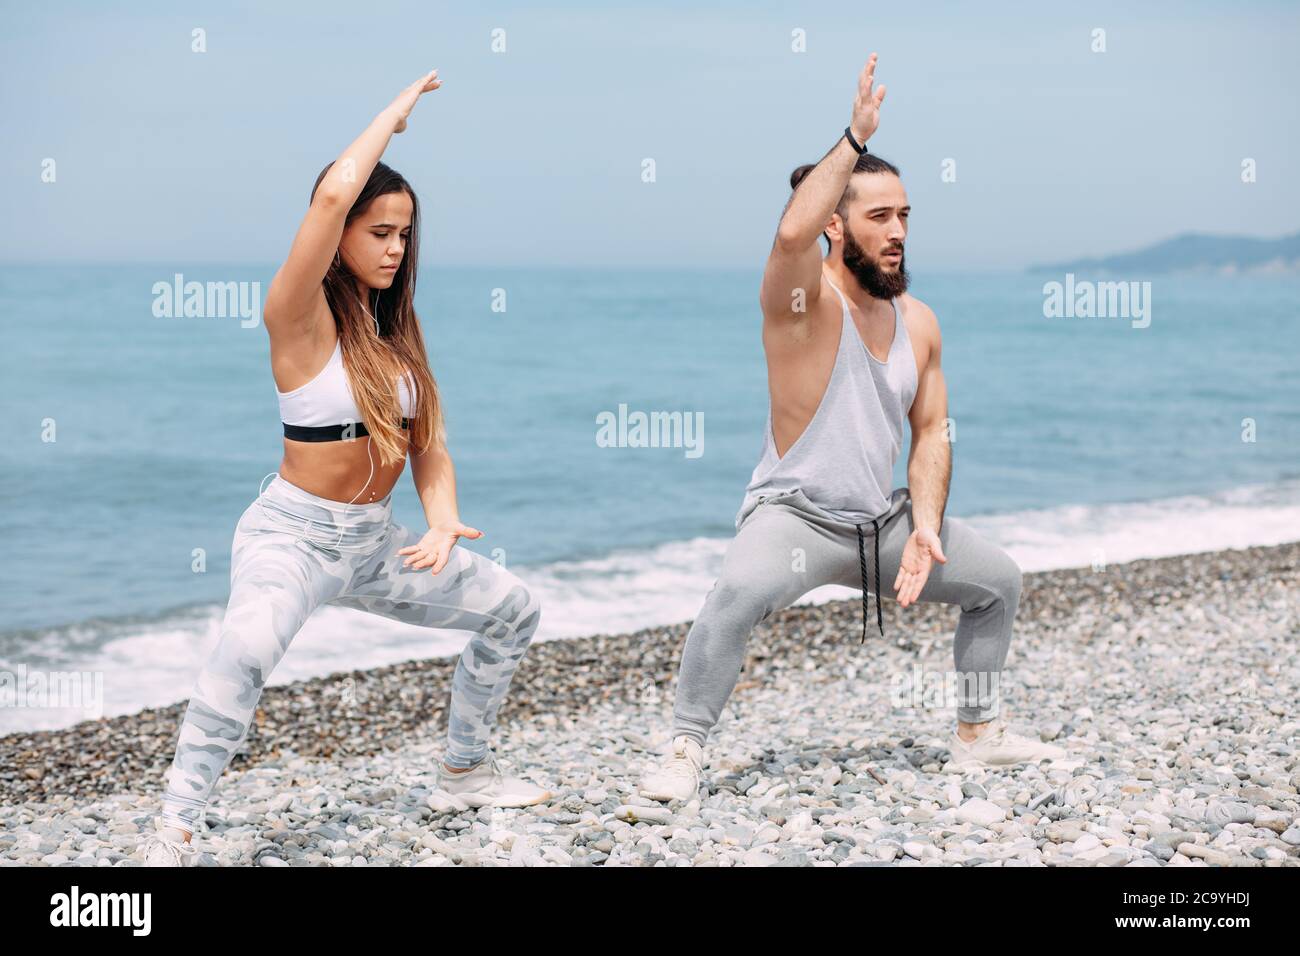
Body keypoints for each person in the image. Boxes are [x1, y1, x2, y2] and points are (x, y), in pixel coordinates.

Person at [140, 70, 551, 866]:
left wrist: (440, 520)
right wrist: (391, 120)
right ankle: (176, 826)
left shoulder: (399, 335)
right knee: (247, 651)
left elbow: (428, 443)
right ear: (340, 237)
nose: (396, 248)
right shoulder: (296, 316)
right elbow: (329, 200)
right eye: (380, 232)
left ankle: (464, 770)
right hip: (293, 539)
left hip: (376, 544)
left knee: (517, 610)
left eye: (405, 234)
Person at [639, 54, 1065, 803]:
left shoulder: (920, 321)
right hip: (796, 521)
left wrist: (926, 522)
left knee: (997, 581)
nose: (898, 231)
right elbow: (788, 236)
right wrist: (854, 136)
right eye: (879, 216)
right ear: (837, 225)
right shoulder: (803, 306)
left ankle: (978, 735)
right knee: (735, 592)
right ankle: (683, 749)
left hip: (883, 529)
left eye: (904, 215)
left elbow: (932, 431)